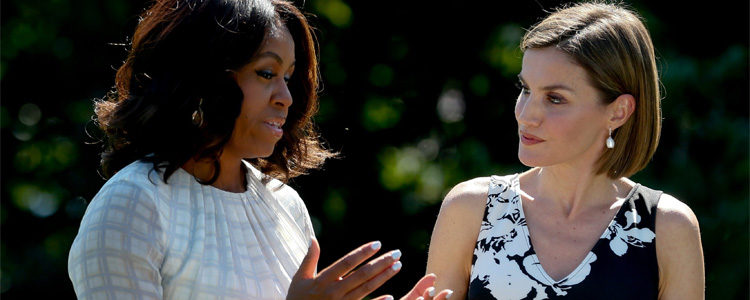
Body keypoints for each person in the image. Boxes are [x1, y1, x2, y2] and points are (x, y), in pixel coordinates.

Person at [67, 0, 453, 299]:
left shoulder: (286, 205)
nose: (286, 96)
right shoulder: (132, 204)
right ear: (201, 77)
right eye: (266, 73)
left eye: (288, 77)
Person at [425, 2, 704, 299]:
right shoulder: (471, 208)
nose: (526, 114)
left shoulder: (667, 228)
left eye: (555, 99)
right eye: (526, 89)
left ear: (618, 112)